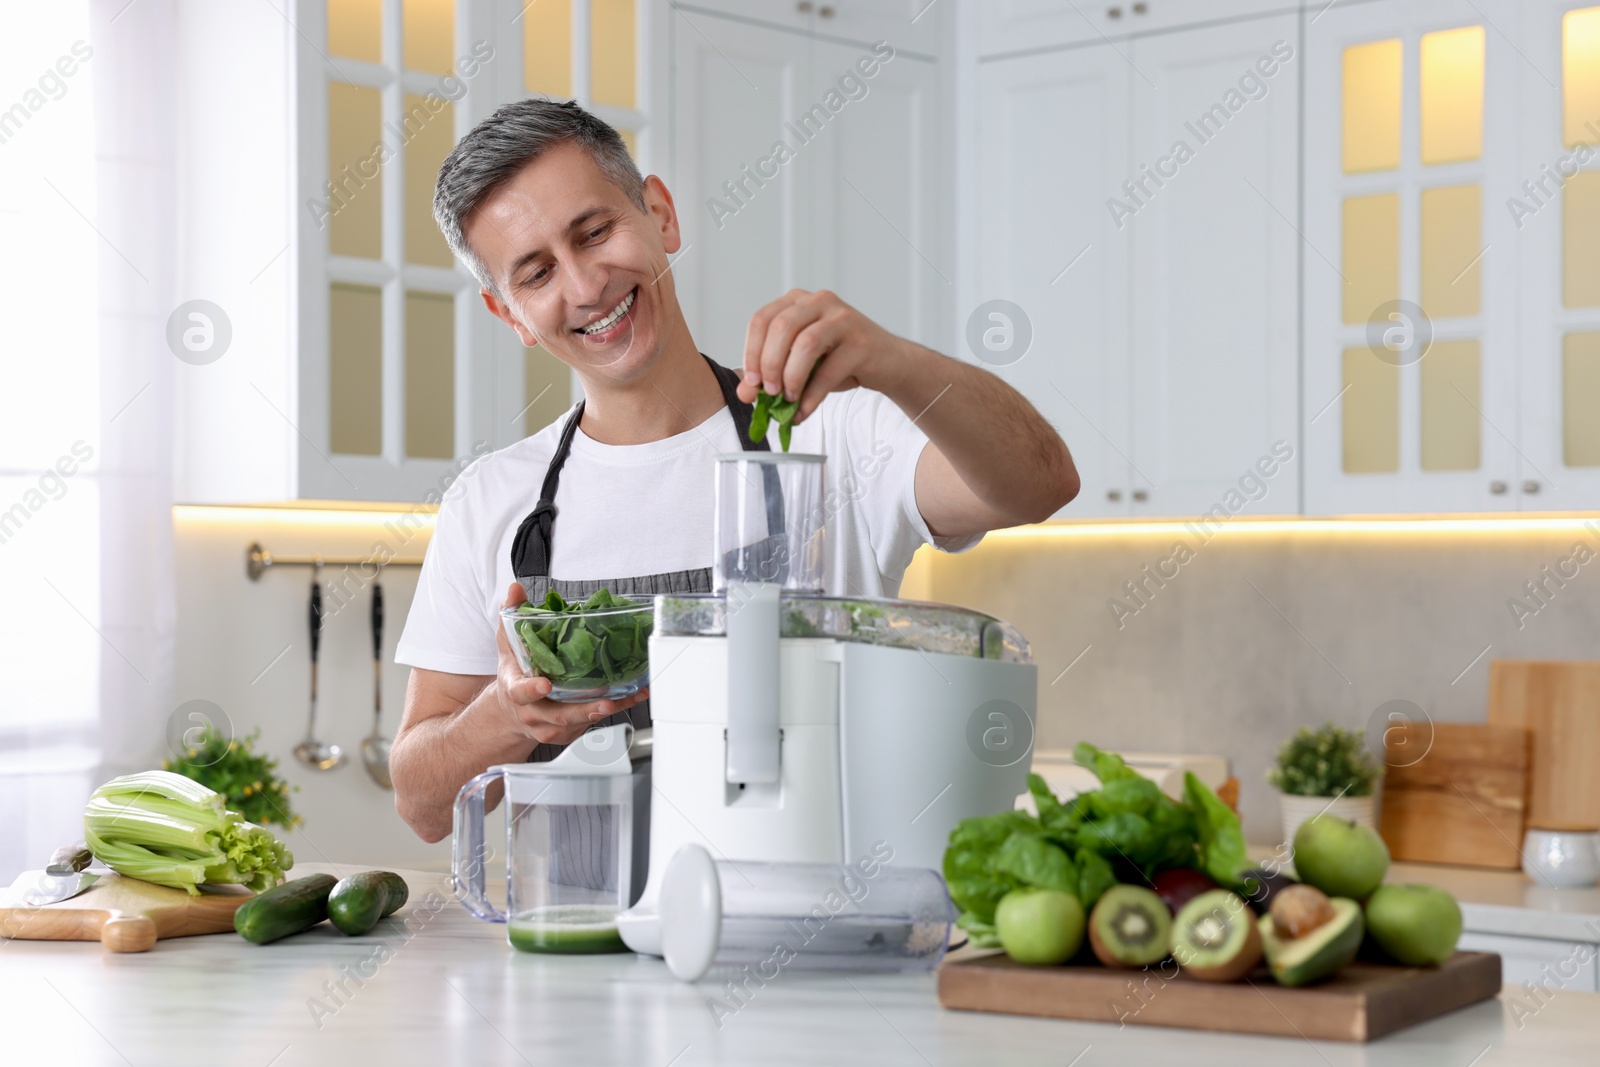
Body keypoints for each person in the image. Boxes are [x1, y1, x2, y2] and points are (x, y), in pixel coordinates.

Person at [390, 99, 1078, 842]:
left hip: (807, 935)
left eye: (596, 232)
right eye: (537, 273)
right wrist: (502, 714)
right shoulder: (492, 499)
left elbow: (1038, 482)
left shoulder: (830, 432)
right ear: (511, 315)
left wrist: (893, 360)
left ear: (661, 215)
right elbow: (423, 805)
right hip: (579, 946)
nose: (586, 286)